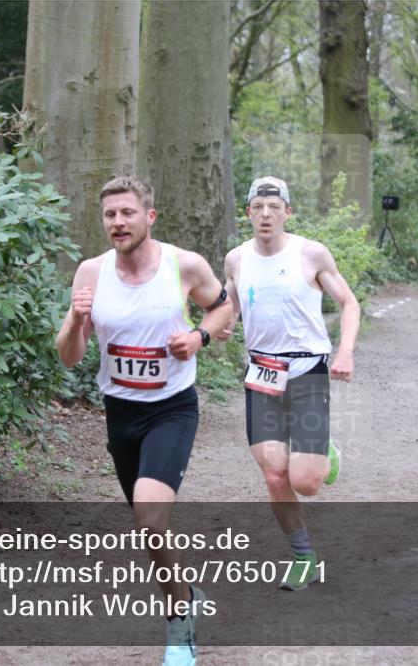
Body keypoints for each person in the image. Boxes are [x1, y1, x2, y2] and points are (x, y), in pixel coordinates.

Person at [55, 176, 231, 666]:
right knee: (149, 531)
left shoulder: (184, 265)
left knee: (151, 519)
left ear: (149, 217)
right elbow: (70, 357)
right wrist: (73, 318)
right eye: (110, 215)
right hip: (121, 412)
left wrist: (199, 338)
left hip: (172, 408)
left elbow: (224, 309)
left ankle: (180, 621)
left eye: (127, 213)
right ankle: (184, 592)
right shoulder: (90, 272)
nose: (118, 223)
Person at [218, 176, 361, 592]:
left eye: (274, 207)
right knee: (275, 476)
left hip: (307, 374)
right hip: (260, 375)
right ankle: (303, 557)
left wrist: (346, 352)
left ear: (287, 212)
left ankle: (322, 452)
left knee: (305, 482)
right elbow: (232, 304)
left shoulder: (311, 254)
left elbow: (349, 303)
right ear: (248, 212)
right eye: (258, 207)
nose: (266, 214)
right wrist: (224, 325)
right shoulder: (235, 259)